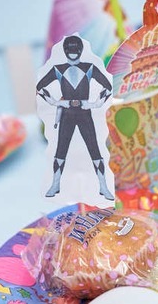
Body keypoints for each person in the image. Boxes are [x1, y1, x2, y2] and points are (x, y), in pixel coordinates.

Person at [36, 35, 114, 201]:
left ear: (80, 50)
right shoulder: (58, 69)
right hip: (67, 114)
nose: (73, 52)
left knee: (95, 149)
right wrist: (56, 102)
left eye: (75, 49)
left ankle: (103, 186)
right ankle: (55, 184)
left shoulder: (89, 67)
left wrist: (95, 104)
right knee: (61, 150)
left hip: (85, 113)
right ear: (65, 51)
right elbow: (40, 87)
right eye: (70, 49)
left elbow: (107, 87)